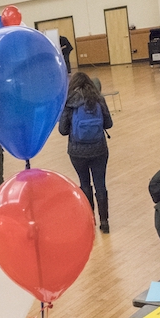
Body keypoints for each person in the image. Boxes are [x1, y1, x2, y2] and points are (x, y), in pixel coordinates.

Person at [58, 72, 113, 232]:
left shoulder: (69, 102)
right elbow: (109, 124)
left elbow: (62, 130)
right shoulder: (98, 99)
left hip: (77, 151)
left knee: (85, 184)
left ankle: (90, 220)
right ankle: (105, 222)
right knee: (100, 184)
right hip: (99, 149)